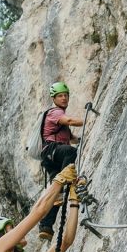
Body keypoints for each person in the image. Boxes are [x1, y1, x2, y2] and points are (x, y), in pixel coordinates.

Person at [38, 81, 86, 240]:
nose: (64, 98)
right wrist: (86, 119)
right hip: (53, 152)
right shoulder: (55, 112)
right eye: (60, 96)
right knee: (70, 152)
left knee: (55, 193)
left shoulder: (58, 119)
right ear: (54, 98)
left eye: (66, 95)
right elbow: (71, 121)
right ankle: (65, 185)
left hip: (52, 157)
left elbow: (71, 138)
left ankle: (46, 226)